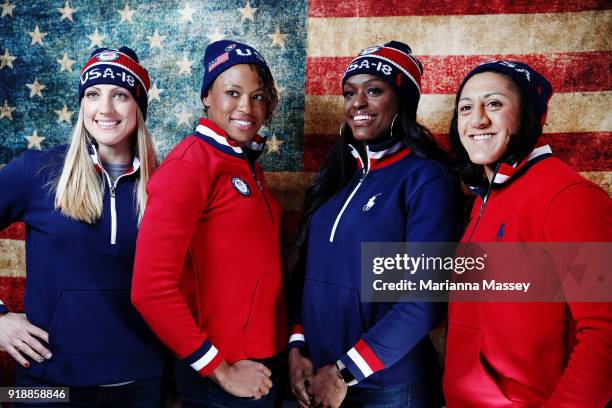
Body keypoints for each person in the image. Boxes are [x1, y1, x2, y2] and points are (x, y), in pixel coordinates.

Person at [287, 41, 463, 408]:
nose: (357, 103)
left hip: (386, 386)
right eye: (350, 92)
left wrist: (345, 371)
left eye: (374, 90)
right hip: (318, 377)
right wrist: (297, 346)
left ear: (402, 100)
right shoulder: (337, 175)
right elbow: (308, 274)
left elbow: (424, 299)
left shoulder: (427, 179)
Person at [0, 46, 163, 406]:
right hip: (46, 384)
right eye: (93, 94)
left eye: (120, 95)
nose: (104, 109)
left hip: (141, 384)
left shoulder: (167, 183)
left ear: (139, 106)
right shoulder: (36, 171)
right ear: (82, 105)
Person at [443, 60, 612, 406]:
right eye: (465, 107)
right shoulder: (485, 198)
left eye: (494, 104)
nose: (477, 120)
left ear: (529, 116)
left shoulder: (570, 198)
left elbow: (605, 332)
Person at [131, 40, 287, 408]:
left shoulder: (245, 164)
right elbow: (149, 289)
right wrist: (219, 369)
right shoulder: (192, 163)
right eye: (232, 92)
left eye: (259, 96)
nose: (247, 107)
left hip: (265, 367)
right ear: (207, 96)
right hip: (221, 379)